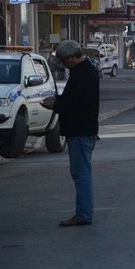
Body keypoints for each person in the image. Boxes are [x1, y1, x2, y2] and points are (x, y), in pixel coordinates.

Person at [40, 40, 100, 227]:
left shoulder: (83, 73)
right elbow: (74, 99)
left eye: (65, 61)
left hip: (80, 130)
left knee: (81, 174)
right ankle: (83, 212)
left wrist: (56, 104)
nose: (64, 65)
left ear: (73, 57)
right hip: (82, 129)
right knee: (81, 173)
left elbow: (78, 104)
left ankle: (83, 214)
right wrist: (58, 100)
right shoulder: (82, 71)